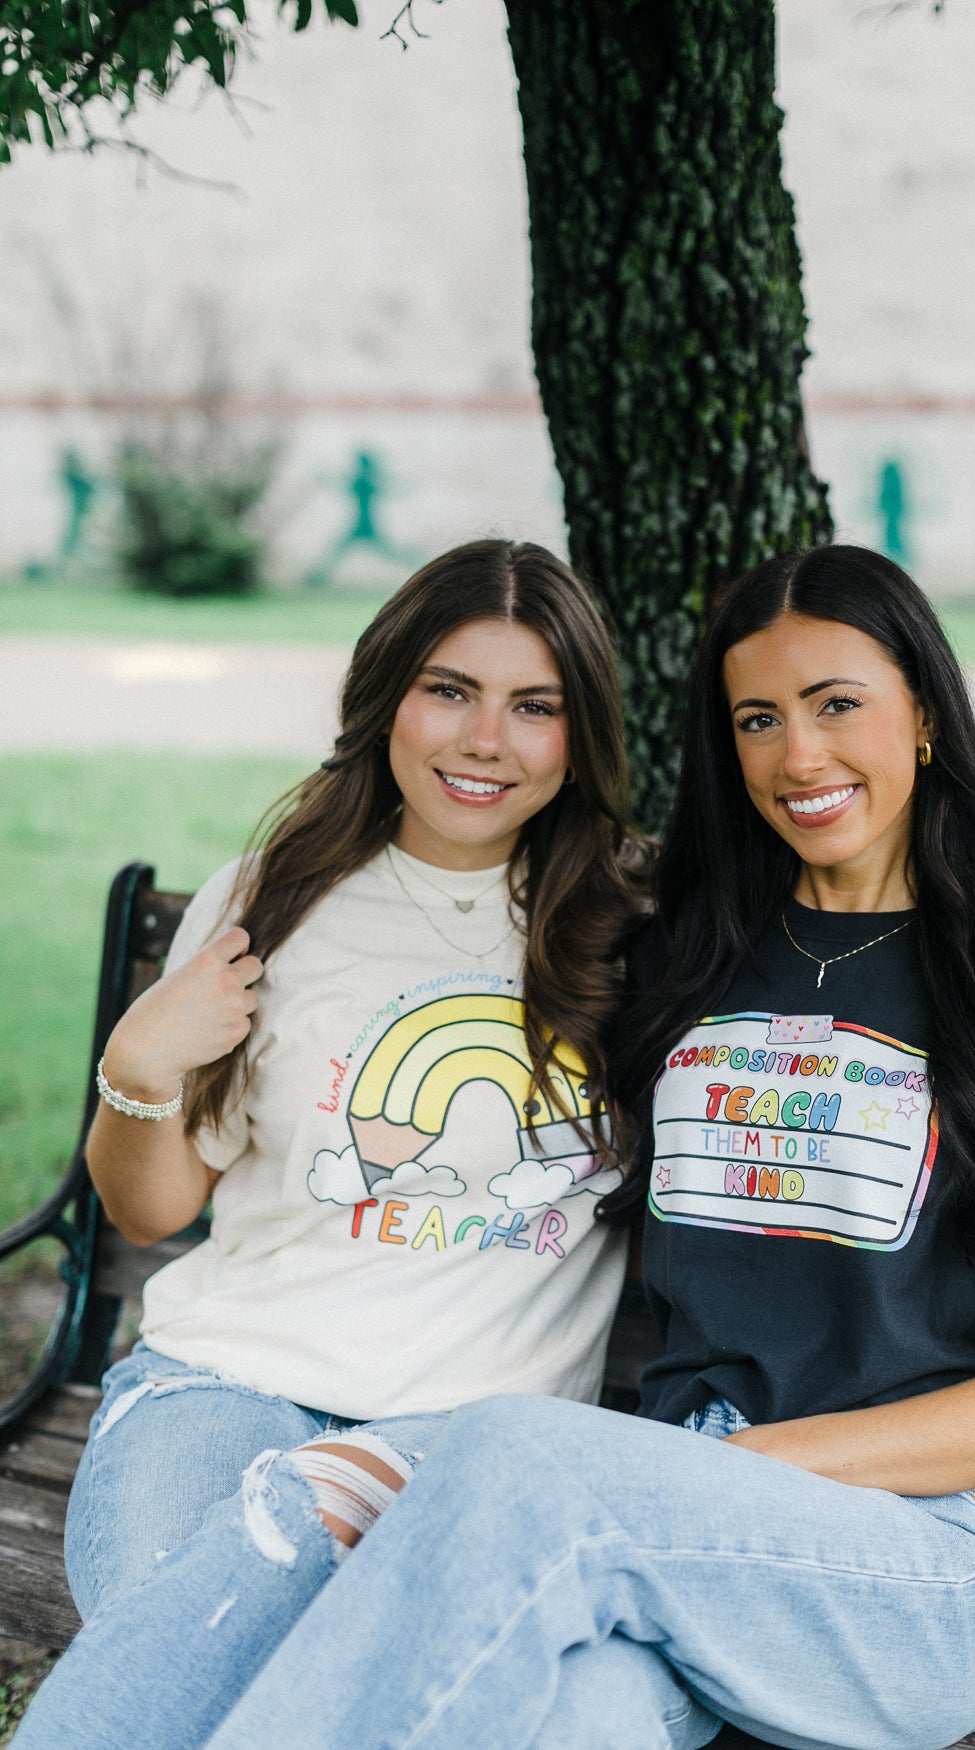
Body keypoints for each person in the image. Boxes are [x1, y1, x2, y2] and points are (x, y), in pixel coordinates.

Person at [21, 545, 975, 1750]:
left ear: (924, 715)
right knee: (568, 1718)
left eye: (839, 704)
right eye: (759, 720)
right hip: (656, 1547)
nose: (800, 755)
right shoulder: (677, 965)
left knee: (509, 1457)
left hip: (893, 1549)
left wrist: (737, 1468)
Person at [17, 538, 643, 1746]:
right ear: (387, 695)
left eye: (535, 706)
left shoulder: (636, 927)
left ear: (582, 736)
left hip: (466, 1438)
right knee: (179, 1636)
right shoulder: (270, 898)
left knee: (251, 1660)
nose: (486, 740)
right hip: (220, 1385)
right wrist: (137, 1072)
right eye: (449, 690)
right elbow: (153, 1211)